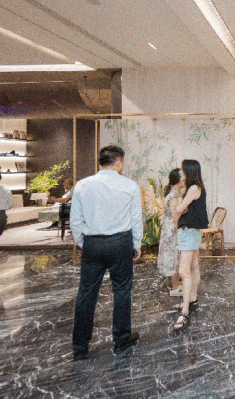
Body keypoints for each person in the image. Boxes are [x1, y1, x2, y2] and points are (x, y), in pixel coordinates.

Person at [70, 146, 142, 361]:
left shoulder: (82, 185)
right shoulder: (129, 185)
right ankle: (121, 340)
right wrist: (137, 243)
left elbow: (75, 220)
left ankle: (80, 347)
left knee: (86, 293)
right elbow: (135, 218)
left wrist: (83, 242)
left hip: (92, 243)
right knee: (122, 291)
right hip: (120, 243)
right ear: (118, 163)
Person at [172, 159, 209, 332]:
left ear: (189, 171)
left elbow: (179, 209)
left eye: (182, 170)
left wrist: (180, 205)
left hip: (188, 232)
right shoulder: (197, 187)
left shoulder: (193, 188)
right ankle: (192, 299)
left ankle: (184, 312)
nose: (180, 172)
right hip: (192, 232)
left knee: (184, 271)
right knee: (193, 267)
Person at [158, 168, 185, 297]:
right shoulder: (174, 196)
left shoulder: (174, 193)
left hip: (169, 229)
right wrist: (179, 232)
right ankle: (175, 288)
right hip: (173, 230)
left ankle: (177, 284)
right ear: (178, 180)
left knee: (175, 256)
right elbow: (175, 217)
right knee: (175, 256)